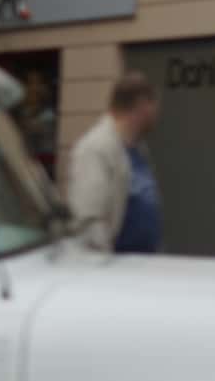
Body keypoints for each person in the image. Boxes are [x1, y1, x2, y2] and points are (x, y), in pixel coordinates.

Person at [66, 70, 162, 254]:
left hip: (144, 264)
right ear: (142, 105)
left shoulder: (138, 148)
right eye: (154, 106)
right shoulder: (95, 149)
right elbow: (89, 220)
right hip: (117, 271)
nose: (156, 114)